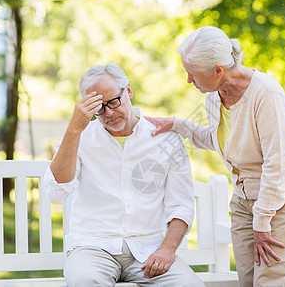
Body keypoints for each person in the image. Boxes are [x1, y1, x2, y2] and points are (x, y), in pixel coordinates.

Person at [146, 26, 285, 287]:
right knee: (247, 281)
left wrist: (263, 221)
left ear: (218, 70)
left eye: (193, 74)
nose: (189, 81)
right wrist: (176, 124)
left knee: (270, 282)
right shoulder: (216, 95)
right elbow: (221, 140)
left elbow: (276, 163)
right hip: (244, 196)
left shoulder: (266, 94)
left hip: (283, 197)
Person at [44, 63, 205, 287]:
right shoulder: (79, 137)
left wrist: (167, 249)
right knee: (84, 282)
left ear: (128, 91)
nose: (108, 113)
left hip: (149, 250)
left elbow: (181, 206)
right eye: (99, 108)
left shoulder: (163, 139)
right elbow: (57, 192)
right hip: (93, 248)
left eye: (113, 102)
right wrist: (74, 129)